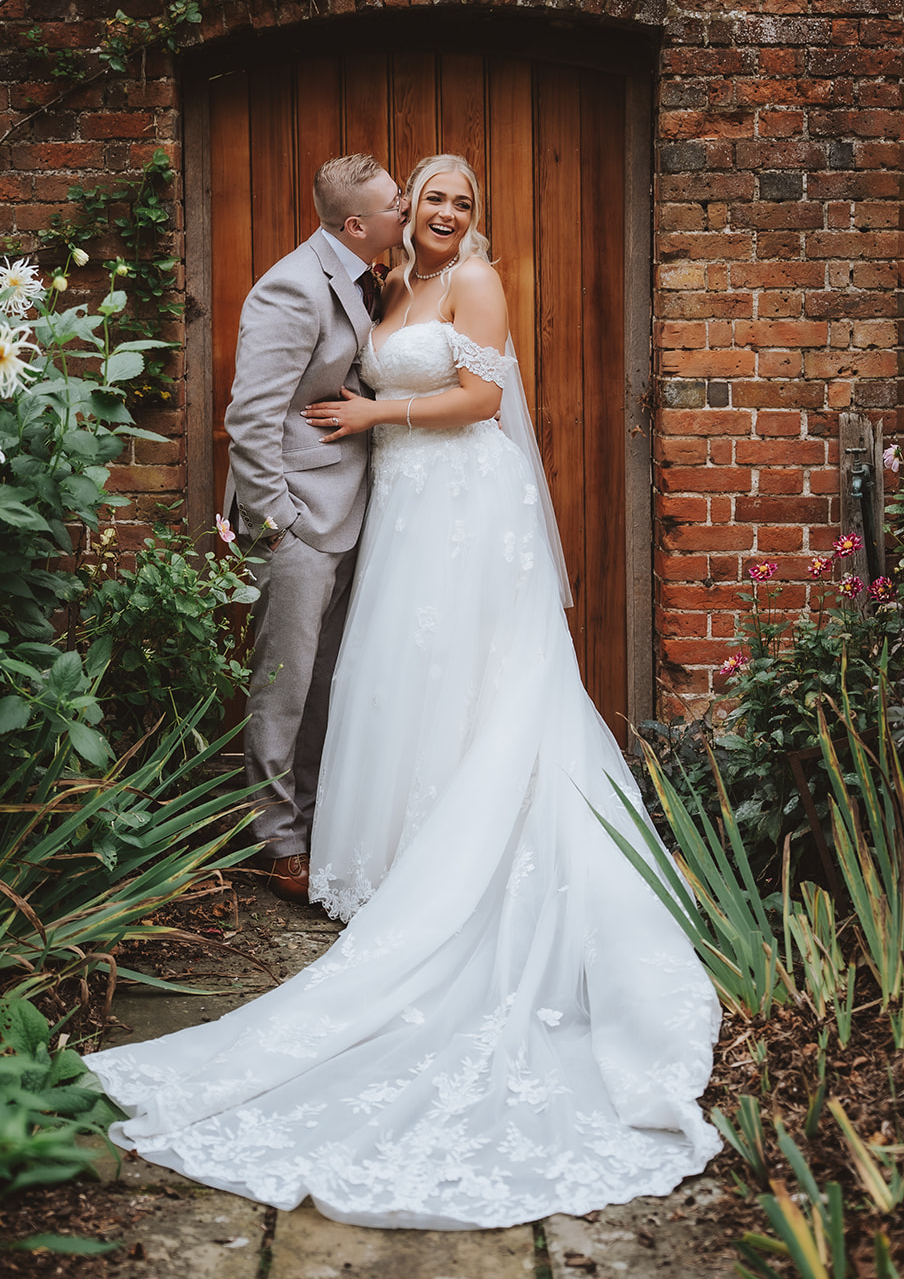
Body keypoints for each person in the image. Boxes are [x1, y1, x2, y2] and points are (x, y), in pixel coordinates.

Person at [86, 154, 722, 1230]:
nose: (439, 213)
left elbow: (480, 397)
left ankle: (473, 854)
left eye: (457, 201)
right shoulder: (383, 290)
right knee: (395, 678)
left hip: (465, 506)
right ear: (391, 214)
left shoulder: (475, 281)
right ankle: (388, 852)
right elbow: (277, 400)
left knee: (479, 678)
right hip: (400, 512)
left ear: (469, 218)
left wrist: (375, 419)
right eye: (426, 197)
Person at [222, 153, 406, 903]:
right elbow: (249, 419)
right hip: (298, 519)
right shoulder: (292, 287)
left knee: (331, 682)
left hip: (351, 511)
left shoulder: (366, 279)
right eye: (396, 204)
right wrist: (277, 527)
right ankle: (276, 841)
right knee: (285, 687)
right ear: (356, 223)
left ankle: (317, 825)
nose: (407, 211)